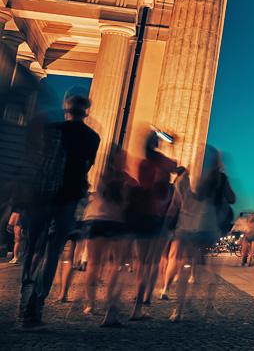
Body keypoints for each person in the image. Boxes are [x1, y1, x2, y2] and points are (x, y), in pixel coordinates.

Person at [19, 94, 98, 330]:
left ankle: (22, 303)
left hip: (42, 196)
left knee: (33, 248)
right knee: (54, 252)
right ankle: (36, 307)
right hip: (69, 199)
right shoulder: (92, 137)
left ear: (67, 108)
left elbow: (35, 161)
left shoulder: (52, 129)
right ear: (87, 112)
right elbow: (86, 167)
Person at [170, 146, 234, 321]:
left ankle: (178, 310)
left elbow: (180, 202)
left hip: (187, 225)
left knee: (184, 266)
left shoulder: (186, 177)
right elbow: (232, 198)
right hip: (206, 225)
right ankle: (208, 306)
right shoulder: (219, 177)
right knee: (210, 267)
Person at [130, 131, 184, 320]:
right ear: (156, 144)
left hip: (140, 214)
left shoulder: (142, 163)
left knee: (140, 260)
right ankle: (142, 303)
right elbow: (177, 168)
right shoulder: (159, 160)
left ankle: (138, 295)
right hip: (156, 215)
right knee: (151, 261)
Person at [82, 147, 136, 326]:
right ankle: (110, 307)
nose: (125, 161)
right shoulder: (125, 179)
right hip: (116, 221)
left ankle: (91, 305)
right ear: (116, 160)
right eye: (123, 158)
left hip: (96, 218)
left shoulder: (99, 174)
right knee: (114, 264)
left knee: (95, 264)